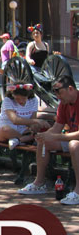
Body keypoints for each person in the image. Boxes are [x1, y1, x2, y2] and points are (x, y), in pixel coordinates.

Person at [18, 76, 79, 205]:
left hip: (75, 141)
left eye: (58, 91)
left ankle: (78, 191)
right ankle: (39, 183)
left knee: (74, 145)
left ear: (70, 88)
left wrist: (55, 136)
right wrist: (44, 136)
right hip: (72, 138)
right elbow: (57, 127)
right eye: (54, 92)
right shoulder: (63, 104)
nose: (57, 96)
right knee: (43, 141)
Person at [0, 83, 47, 149]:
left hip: (23, 130)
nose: (21, 101)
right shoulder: (7, 100)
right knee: (5, 129)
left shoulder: (33, 100)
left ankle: (18, 140)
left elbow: (32, 119)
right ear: (13, 95)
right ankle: (27, 139)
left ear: (28, 95)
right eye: (17, 98)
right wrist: (36, 121)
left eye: (24, 98)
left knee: (40, 127)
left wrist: (34, 126)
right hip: (7, 131)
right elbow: (15, 120)